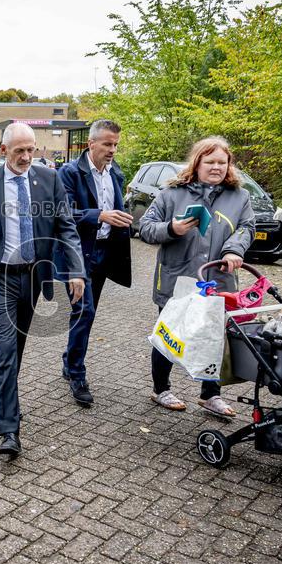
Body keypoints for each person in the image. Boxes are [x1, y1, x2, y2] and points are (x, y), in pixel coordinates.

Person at [0, 122, 86, 457]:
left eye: (31, 149)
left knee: (18, 345)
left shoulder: (48, 179)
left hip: (33, 277)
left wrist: (76, 270)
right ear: (3, 151)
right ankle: (9, 429)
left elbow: (66, 227)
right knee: (6, 350)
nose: (26, 157)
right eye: (19, 151)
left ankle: (8, 397)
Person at [139, 136, 255, 417]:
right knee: (170, 335)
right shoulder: (171, 193)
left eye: (222, 162)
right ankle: (161, 389)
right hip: (177, 278)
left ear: (229, 165)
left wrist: (233, 250)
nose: (216, 167)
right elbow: (144, 227)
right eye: (210, 161)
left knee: (215, 337)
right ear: (197, 162)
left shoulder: (239, 196)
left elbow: (247, 227)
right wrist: (172, 229)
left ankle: (211, 395)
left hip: (218, 278)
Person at [54, 120, 133, 406]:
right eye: (107, 144)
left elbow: (117, 209)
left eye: (115, 145)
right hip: (76, 253)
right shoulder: (70, 172)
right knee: (84, 311)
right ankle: (76, 372)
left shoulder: (117, 174)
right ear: (91, 144)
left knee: (87, 312)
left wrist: (121, 221)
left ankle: (68, 359)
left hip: (104, 252)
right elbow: (61, 214)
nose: (112, 150)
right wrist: (99, 215)